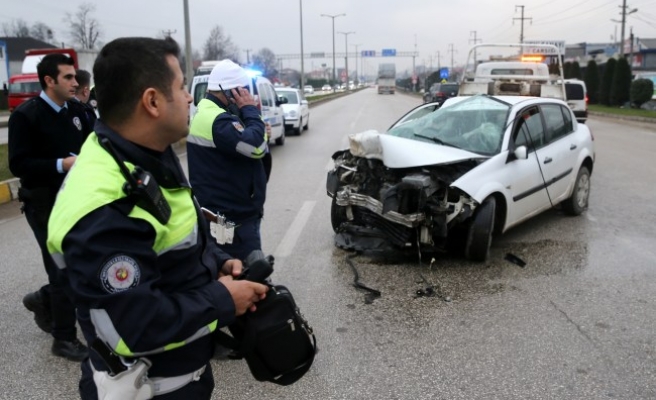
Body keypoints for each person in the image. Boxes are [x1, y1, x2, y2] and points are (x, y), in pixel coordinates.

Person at [46, 37, 268, 399]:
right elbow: (134, 326)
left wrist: (218, 263)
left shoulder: (141, 155)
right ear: (151, 101)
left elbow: (168, 243)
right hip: (151, 390)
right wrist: (224, 299)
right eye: (181, 86)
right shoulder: (103, 205)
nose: (190, 97)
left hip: (181, 379)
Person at [8, 53, 93, 361]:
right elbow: (18, 163)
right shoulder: (27, 115)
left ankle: (43, 300)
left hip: (77, 200)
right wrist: (62, 164)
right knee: (61, 267)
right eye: (68, 77)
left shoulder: (79, 112)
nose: (75, 82)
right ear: (49, 81)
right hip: (44, 203)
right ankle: (64, 338)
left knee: (82, 260)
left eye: (75, 77)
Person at [187, 59, 268, 261]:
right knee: (249, 274)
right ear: (231, 92)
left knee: (228, 265)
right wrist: (252, 113)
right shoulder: (219, 121)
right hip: (233, 217)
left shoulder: (209, 113)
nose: (247, 96)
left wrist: (251, 123)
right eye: (243, 90)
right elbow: (256, 148)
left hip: (221, 212)